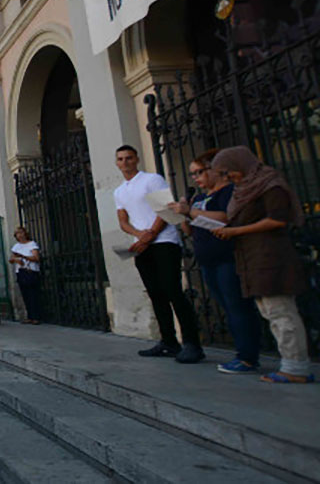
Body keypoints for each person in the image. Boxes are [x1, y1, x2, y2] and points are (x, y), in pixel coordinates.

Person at [210, 147, 313, 383]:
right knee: (269, 310)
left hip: (271, 256)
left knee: (281, 311)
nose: (228, 178)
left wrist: (236, 230)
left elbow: (277, 218)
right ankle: (289, 363)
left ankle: (296, 367)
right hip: (252, 257)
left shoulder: (269, 184)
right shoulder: (244, 189)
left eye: (229, 172)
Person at [168, 150, 261, 374]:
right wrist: (184, 215)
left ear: (216, 170)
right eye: (193, 175)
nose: (196, 178)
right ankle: (241, 351)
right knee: (226, 306)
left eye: (200, 172)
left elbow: (226, 218)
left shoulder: (228, 192)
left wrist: (191, 211)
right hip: (207, 259)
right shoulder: (199, 198)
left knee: (237, 306)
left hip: (228, 257)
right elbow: (190, 229)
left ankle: (247, 356)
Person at [113, 145, 204, 363]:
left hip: (164, 241)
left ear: (136, 159)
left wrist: (151, 233)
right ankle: (168, 341)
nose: (125, 162)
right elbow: (123, 221)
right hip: (142, 247)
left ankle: (192, 343)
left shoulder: (152, 179)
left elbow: (165, 208)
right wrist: (139, 235)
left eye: (129, 158)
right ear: (116, 163)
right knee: (155, 293)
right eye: (120, 159)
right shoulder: (119, 191)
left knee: (172, 290)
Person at [8, 227, 42, 324]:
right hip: (21, 271)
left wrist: (23, 257)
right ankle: (29, 316)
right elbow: (11, 259)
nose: (20, 235)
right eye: (17, 233)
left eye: (21, 233)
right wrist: (16, 259)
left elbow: (36, 258)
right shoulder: (16, 246)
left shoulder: (32, 244)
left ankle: (36, 316)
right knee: (25, 294)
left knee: (33, 294)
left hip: (31, 270)